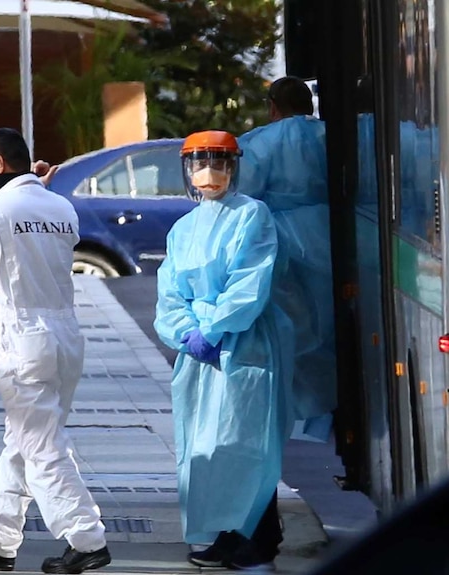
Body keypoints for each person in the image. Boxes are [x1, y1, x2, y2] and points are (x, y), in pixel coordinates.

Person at [0, 128, 111, 574]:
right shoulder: (61, 207)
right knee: (24, 440)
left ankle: (86, 538)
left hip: (22, 341)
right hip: (66, 338)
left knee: (41, 447)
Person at [154, 131, 293, 570]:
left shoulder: (253, 215)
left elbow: (249, 282)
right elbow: (170, 291)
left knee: (246, 443)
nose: (207, 172)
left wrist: (214, 329)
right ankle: (220, 535)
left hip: (244, 342)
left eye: (217, 162)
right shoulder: (184, 228)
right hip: (199, 352)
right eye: (198, 163)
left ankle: (255, 537)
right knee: (204, 446)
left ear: (233, 167)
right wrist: (187, 332)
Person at [237, 76, 336, 440]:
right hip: (331, 232)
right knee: (330, 325)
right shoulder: (333, 135)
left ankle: (302, 409)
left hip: (283, 241)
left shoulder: (260, 142)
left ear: (273, 106)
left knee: (296, 329)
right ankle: (329, 410)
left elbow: (242, 192)